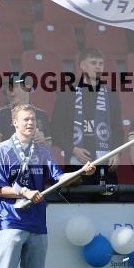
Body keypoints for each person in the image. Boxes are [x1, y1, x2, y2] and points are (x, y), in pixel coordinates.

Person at [0, 103, 93, 268]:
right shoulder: (0, 151)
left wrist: (80, 172)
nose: (30, 123)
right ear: (14, 122)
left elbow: (58, 178)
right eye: (25, 119)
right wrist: (24, 192)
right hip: (11, 222)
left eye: (33, 120)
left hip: (37, 225)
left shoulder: (43, 152)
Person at [51, 48, 122, 194]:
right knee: (77, 209)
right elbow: (55, 132)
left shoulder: (111, 94)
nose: (98, 67)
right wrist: (72, 149)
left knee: (108, 209)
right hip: (76, 165)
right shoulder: (66, 94)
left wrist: (117, 152)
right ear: (82, 65)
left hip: (105, 164)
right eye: (93, 63)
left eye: (101, 63)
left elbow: (117, 129)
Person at [0, 74, 51, 153]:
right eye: (8, 87)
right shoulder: (1, 113)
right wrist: (16, 154)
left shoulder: (42, 115)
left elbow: (49, 148)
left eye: (15, 86)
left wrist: (43, 142)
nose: (10, 90)